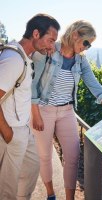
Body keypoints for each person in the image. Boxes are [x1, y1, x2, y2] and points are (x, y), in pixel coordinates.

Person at [31, 20, 102, 200]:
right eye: (86, 42)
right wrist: (35, 113)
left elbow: (96, 87)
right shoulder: (48, 50)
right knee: (44, 155)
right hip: (43, 110)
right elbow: (33, 85)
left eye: (90, 45)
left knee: (73, 156)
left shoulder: (81, 61)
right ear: (75, 34)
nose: (87, 47)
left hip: (67, 111)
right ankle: (50, 194)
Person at [0, 14, 60, 200]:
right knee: (6, 189)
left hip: (24, 129)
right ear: (35, 33)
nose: (52, 46)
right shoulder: (14, 59)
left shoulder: (27, 57)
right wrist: (7, 132)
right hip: (11, 131)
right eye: (50, 40)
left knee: (32, 168)